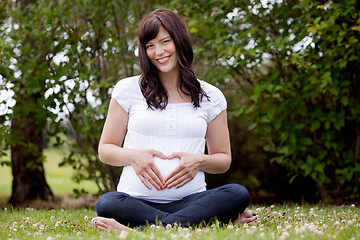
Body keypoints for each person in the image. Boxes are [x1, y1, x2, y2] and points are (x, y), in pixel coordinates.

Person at [91, 8, 257, 231]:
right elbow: (105, 150)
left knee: (237, 193)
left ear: (179, 41)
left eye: (165, 41)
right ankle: (197, 225)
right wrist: (134, 156)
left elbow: (223, 159)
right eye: (150, 45)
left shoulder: (211, 96)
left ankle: (142, 231)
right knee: (107, 202)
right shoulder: (127, 90)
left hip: (192, 201)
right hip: (135, 201)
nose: (158, 51)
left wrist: (198, 161)